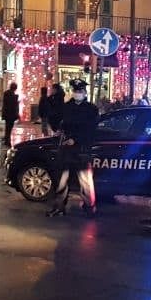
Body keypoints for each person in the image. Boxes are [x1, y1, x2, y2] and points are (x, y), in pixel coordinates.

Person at [48, 79, 99, 217]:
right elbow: (56, 120)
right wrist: (58, 130)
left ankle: (90, 207)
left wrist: (75, 139)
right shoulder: (66, 107)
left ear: (85, 92)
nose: (78, 94)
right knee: (61, 180)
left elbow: (90, 130)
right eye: (76, 91)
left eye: (80, 91)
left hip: (82, 149)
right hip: (66, 149)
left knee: (86, 181)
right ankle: (59, 207)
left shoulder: (91, 109)